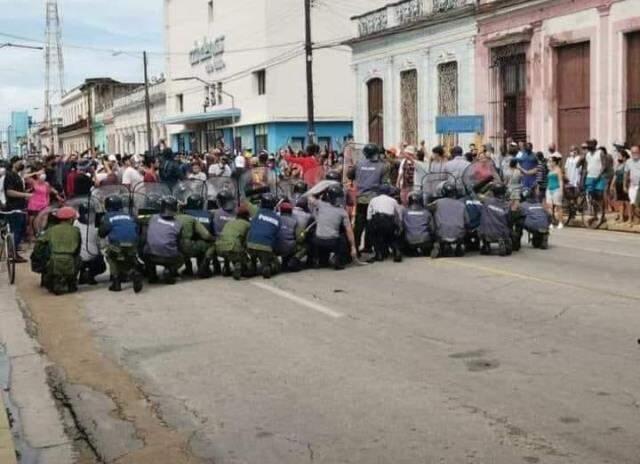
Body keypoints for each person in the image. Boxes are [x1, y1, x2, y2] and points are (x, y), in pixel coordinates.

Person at [347, 143, 387, 256]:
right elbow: (385, 184)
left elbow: (349, 175)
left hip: (361, 199)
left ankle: (355, 247)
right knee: (372, 223)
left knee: (359, 224)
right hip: (375, 200)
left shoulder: (359, 164)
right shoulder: (383, 166)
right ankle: (369, 247)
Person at [98, 195, 143, 293]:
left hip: (117, 245)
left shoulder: (107, 217)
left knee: (110, 256)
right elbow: (137, 229)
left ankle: (116, 282)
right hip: (133, 244)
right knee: (127, 257)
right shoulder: (129, 215)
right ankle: (133, 272)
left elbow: (102, 233)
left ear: (107, 206)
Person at [309, 183, 357, 270]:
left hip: (318, 241)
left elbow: (310, 196)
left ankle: (318, 260)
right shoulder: (342, 212)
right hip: (333, 242)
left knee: (313, 233)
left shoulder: (320, 204)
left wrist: (322, 190)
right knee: (343, 238)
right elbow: (349, 231)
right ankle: (337, 260)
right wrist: (353, 246)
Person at [38, 206, 81, 295]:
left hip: (53, 262)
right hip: (71, 262)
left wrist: (40, 259)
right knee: (79, 259)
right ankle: (71, 282)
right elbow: (78, 249)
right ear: (71, 219)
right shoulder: (76, 230)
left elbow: (39, 246)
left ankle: (51, 281)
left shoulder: (50, 230)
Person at [143, 196, 184, 284]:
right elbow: (178, 242)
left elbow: (145, 234)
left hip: (150, 256)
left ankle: (152, 275)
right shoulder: (178, 224)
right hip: (169, 257)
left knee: (145, 248)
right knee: (181, 256)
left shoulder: (153, 218)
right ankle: (169, 270)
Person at [176, 195, 215, 278]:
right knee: (209, 244)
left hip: (184, 246)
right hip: (200, 243)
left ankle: (188, 268)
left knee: (186, 241)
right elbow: (208, 234)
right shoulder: (209, 214)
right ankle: (204, 267)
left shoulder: (185, 214)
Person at [247, 193, 281, 279]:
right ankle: (267, 267)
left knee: (254, 249)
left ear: (261, 203)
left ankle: (253, 266)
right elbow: (276, 235)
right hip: (265, 247)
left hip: (250, 245)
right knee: (277, 264)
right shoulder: (277, 218)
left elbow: (246, 202)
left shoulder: (255, 212)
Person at [428, 182, 467, 258]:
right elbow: (467, 221)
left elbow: (427, 209)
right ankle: (459, 247)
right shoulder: (462, 204)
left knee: (431, 217)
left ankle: (438, 244)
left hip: (441, 233)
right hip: (458, 234)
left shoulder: (437, 202)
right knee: (463, 224)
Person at [3, 156, 31, 261]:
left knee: (22, 229)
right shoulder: (10, 175)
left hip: (20, 206)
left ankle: (13, 251)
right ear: (14, 163)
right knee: (17, 230)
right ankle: (12, 253)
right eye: (20, 162)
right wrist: (25, 194)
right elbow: (9, 192)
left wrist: (26, 193)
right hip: (14, 208)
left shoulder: (17, 175)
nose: (22, 165)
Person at [366, 185, 403, 262]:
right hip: (389, 220)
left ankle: (378, 254)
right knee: (392, 237)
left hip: (377, 219)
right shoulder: (393, 200)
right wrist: (398, 225)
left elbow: (369, 215)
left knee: (375, 237)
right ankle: (397, 252)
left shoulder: (373, 200)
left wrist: (371, 226)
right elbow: (399, 214)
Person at [215, 204, 251, 280]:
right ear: (247, 216)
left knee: (228, 249)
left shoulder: (228, 223)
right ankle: (238, 265)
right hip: (233, 248)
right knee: (246, 264)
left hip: (219, 249)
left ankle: (226, 268)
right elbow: (247, 242)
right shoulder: (247, 225)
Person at [478, 183, 513, 256]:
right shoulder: (507, 204)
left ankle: (486, 245)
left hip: (486, 231)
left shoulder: (486, 201)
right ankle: (504, 241)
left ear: (493, 192)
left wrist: (489, 186)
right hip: (501, 231)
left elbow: (478, 194)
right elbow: (509, 221)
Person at [75, 203, 106, 286]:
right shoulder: (95, 225)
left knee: (101, 263)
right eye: (87, 213)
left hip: (83, 257)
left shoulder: (75, 224)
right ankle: (88, 275)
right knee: (100, 261)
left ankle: (87, 275)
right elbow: (102, 244)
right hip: (83, 258)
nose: (90, 216)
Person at [402, 191, 434, 257]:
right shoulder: (427, 212)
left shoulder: (404, 212)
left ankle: (412, 251)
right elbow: (432, 229)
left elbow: (401, 227)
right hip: (425, 240)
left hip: (409, 241)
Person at [275, 202, 306, 272]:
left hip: (275, 247)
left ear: (280, 210)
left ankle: (284, 263)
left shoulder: (275, 219)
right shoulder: (295, 221)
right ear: (291, 211)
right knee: (305, 247)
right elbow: (300, 239)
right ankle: (294, 259)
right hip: (289, 248)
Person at [612, 150, 630, 223]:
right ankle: (621, 217)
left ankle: (629, 218)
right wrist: (612, 185)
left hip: (624, 184)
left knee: (627, 201)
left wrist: (625, 185)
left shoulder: (628, 164)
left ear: (624, 157)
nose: (618, 157)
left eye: (620, 156)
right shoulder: (619, 165)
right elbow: (615, 175)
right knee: (620, 201)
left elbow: (628, 176)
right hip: (618, 184)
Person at [546, 155, 564, 228]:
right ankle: (551, 222)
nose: (549, 163)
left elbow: (560, 180)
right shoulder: (550, 170)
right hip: (549, 189)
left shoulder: (558, 169)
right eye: (549, 161)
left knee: (558, 206)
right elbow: (548, 180)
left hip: (557, 189)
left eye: (551, 161)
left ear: (555, 162)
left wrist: (561, 190)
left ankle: (560, 222)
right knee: (550, 206)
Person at [624, 145, 640, 225]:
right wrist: (624, 185)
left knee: (637, 204)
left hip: (639, 186)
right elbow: (626, 174)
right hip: (632, 185)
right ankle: (631, 219)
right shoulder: (628, 161)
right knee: (632, 203)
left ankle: (637, 219)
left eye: (636, 152)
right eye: (633, 152)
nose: (634, 153)